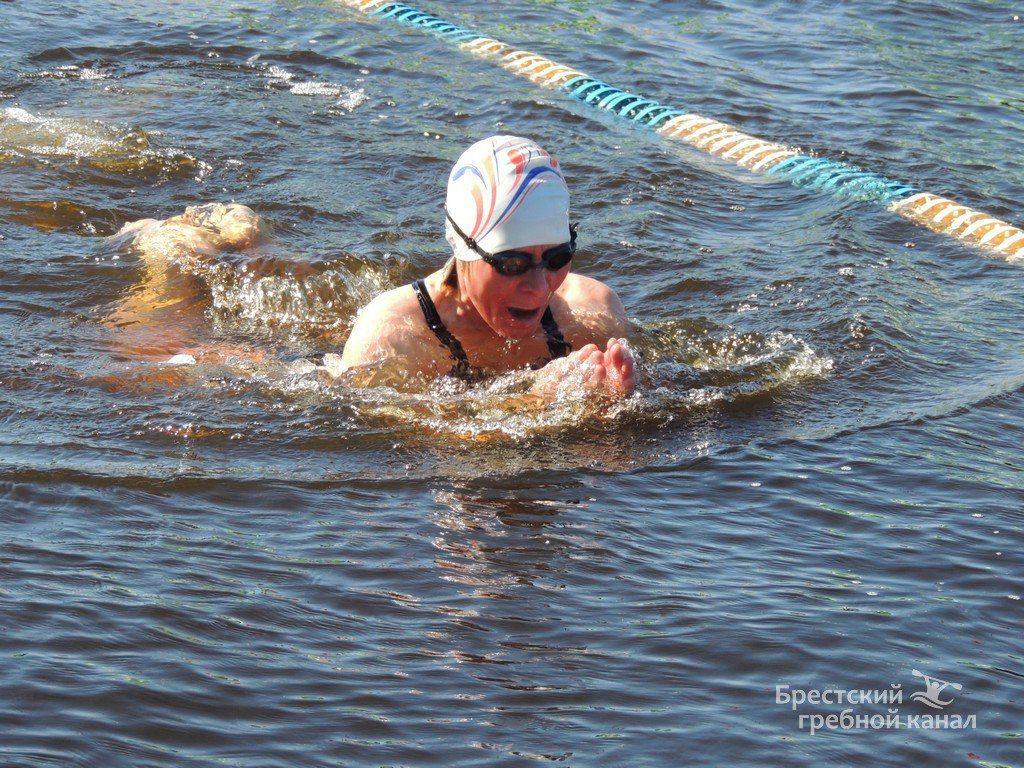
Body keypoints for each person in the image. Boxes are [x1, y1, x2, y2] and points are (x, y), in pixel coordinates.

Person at [340, 135, 636, 396]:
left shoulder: (595, 313)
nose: (539, 287)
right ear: (465, 248)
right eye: (512, 264)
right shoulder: (393, 337)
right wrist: (534, 402)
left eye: (557, 259)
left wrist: (613, 397)